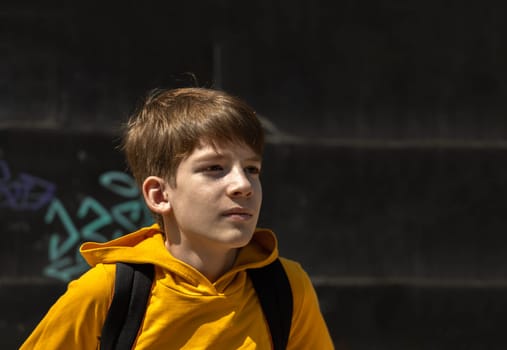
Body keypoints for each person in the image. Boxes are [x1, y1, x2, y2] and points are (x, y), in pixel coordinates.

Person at [21, 87, 334, 349]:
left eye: (252, 169)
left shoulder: (286, 287)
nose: (242, 185)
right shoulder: (106, 292)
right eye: (214, 168)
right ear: (159, 195)